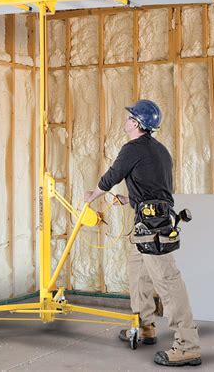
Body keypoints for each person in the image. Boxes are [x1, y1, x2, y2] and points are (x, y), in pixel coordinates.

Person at [84, 100, 201, 367]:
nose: (125, 120)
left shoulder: (132, 149)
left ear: (136, 124)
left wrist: (93, 195)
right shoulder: (159, 151)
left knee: (168, 282)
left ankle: (188, 345)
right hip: (149, 223)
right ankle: (144, 325)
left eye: (129, 117)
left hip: (152, 228)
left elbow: (112, 176)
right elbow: (158, 189)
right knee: (137, 272)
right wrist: (129, 201)